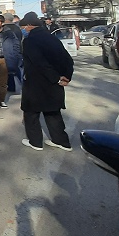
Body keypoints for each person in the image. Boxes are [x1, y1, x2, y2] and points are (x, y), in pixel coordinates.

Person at [19, 12, 74, 151]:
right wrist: (66, 76)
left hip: (36, 82)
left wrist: (54, 77)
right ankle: (61, 141)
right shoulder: (52, 38)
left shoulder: (30, 41)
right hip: (54, 83)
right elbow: (67, 58)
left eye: (24, 26)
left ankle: (35, 142)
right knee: (52, 112)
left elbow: (39, 62)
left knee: (31, 112)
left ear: (30, 26)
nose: (23, 29)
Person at [2, 13, 23, 93]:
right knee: (19, 69)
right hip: (18, 51)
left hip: (8, 52)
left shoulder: (4, 29)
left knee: (8, 71)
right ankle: (23, 85)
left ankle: (11, 87)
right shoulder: (17, 28)